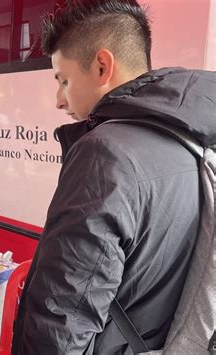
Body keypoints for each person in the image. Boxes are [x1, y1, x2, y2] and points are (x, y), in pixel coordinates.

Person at [11, 0, 215, 353]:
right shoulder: (199, 139)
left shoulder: (103, 153)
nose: (60, 99)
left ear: (102, 66)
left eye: (63, 80)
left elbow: (63, 319)